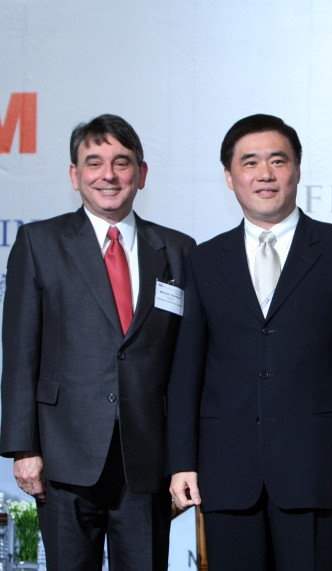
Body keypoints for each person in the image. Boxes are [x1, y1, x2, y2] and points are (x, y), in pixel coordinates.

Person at [167, 114, 332, 571]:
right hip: (226, 470)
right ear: (230, 177)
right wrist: (182, 460)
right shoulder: (204, 260)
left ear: (297, 169)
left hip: (317, 467)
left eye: (277, 161)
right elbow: (187, 369)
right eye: (250, 162)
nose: (264, 173)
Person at [0, 114, 196, 570]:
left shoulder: (178, 250)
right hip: (63, 455)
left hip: (147, 458)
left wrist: (185, 457)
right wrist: (23, 448)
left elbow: (186, 363)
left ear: (141, 174)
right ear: (75, 175)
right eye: (94, 163)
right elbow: (21, 351)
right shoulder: (40, 242)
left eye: (121, 163)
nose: (108, 175)